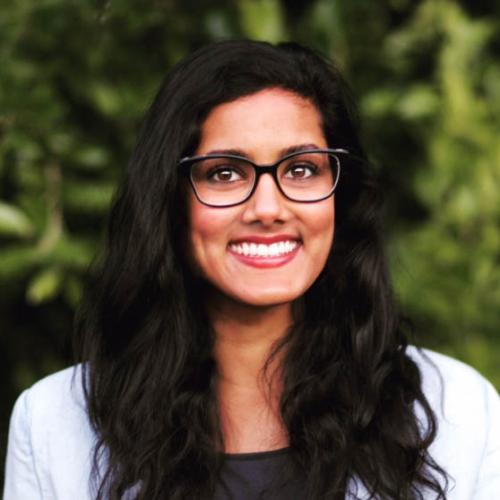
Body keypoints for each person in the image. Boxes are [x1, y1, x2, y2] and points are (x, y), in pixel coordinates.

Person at [3, 40, 500, 500]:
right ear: (170, 203)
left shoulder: (459, 412)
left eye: (301, 169)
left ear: (340, 197)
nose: (268, 207)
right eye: (224, 173)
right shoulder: (52, 424)